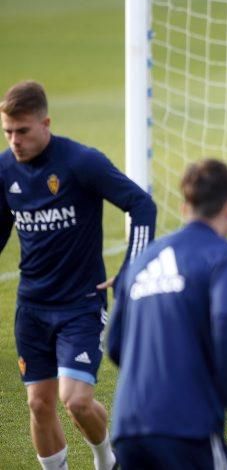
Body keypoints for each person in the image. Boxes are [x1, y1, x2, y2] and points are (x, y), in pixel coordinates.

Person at [0, 80, 156, 470]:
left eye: (22, 131)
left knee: (77, 400)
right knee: (39, 403)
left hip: (79, 304)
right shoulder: (4, 169)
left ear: (46, 123)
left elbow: (141, 204)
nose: (14, 141)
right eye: (7, 132)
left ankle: (108, 459)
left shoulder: (80, 162)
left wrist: (129, 270)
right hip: (31, 306)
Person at [108, 159, 227, 468]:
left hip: (127, 428)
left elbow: (115, 345)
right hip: (187, 427)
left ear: (185, 205)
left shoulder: (144, 259)